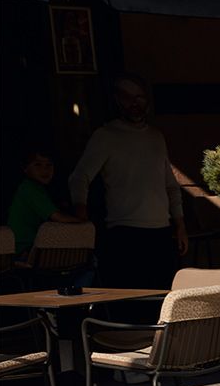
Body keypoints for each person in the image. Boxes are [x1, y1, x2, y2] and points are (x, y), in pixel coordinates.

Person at [69, 75, 187, 288]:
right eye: (127, 97)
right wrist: (81, 213)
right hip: (124, 229)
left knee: (161, 294)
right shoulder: (106, 136)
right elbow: (79, 177)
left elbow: (171, 184)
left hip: (161, 229)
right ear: (117, 100)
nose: (134, 103)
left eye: (139, 97)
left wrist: (179, 225)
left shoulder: (155, 136)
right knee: (130, 295)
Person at [6, 150, 80, 259]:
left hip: (33, 246)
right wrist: (84, 221)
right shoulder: (28, 189)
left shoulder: (40, 189)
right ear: (25, 169)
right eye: (37, 165)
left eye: (49, 165)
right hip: (22, 249)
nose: (45, 169)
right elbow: (58, 217)